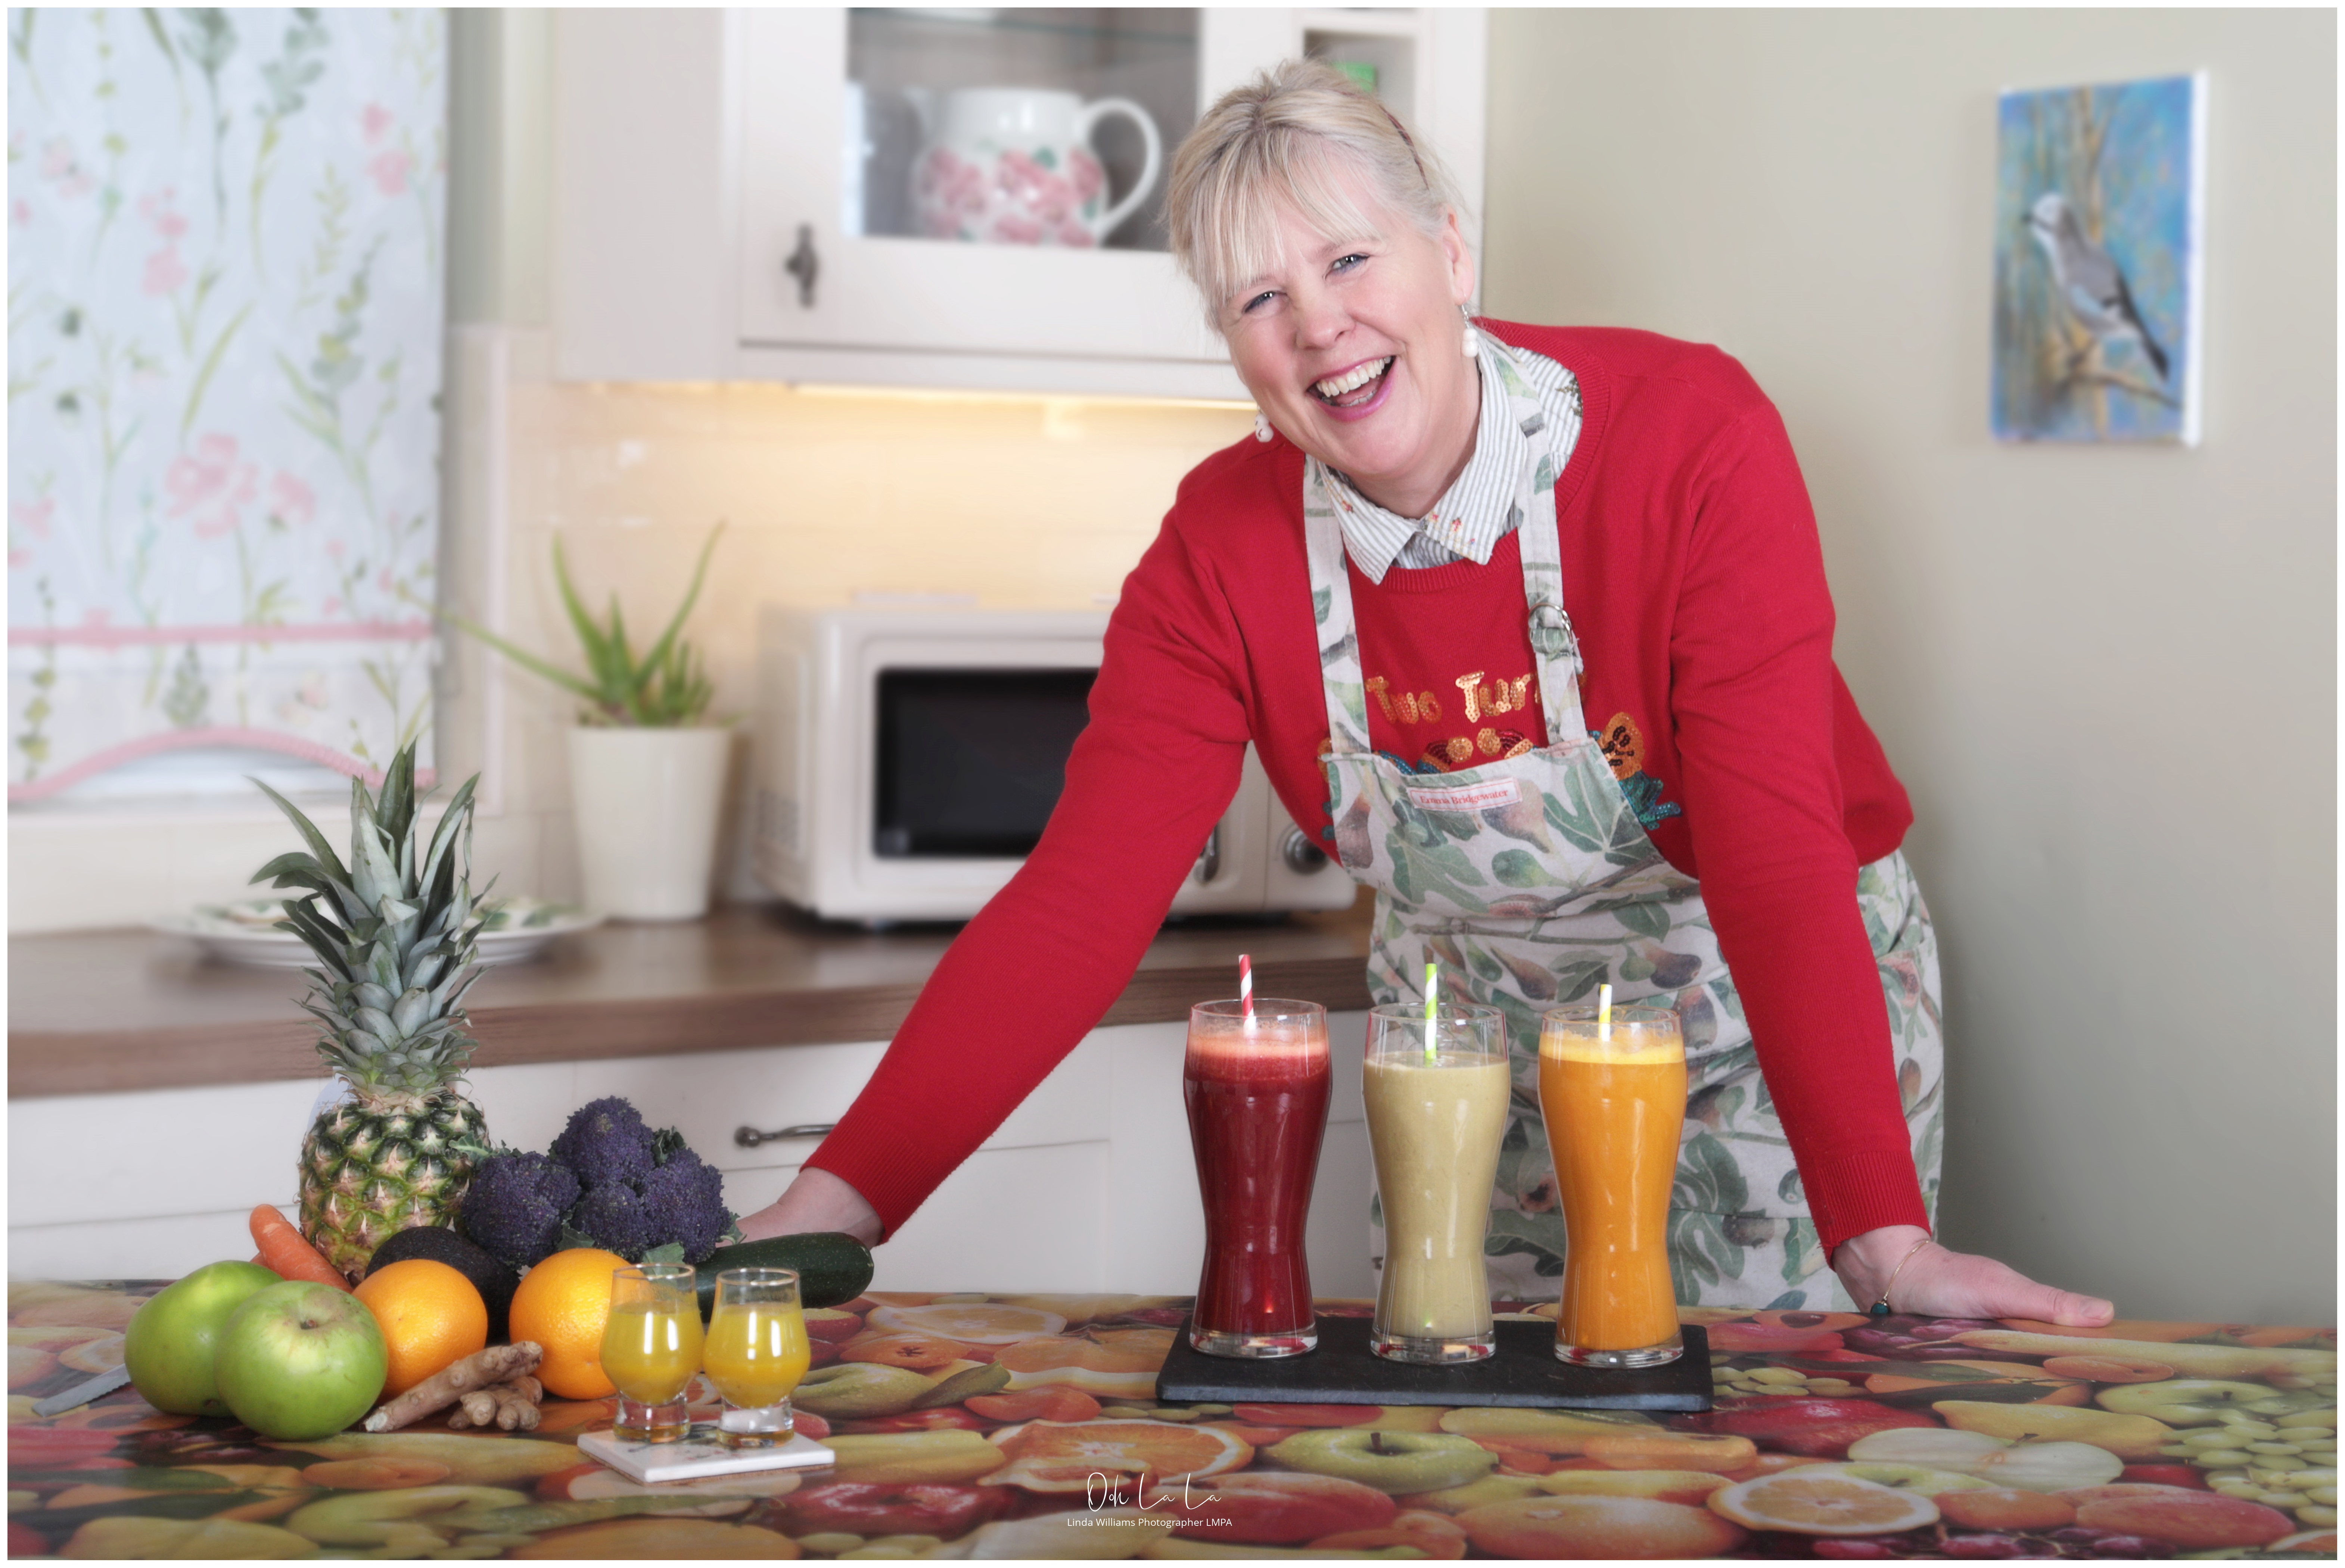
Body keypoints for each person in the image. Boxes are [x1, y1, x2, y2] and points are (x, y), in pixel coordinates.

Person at [743, 60, 2114, 1327]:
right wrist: (821, 1216)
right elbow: (1077, 906)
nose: (1320, 326)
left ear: (1449, 250)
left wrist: (1880, 1237)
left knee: (1738, 1451)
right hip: (1466, 1047)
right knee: (1482, 1447)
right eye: (1259, 298)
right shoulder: (1217, 549)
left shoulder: (1688, 440)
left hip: (1754, 1023)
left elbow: (1770, 846)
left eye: (1349, 259)